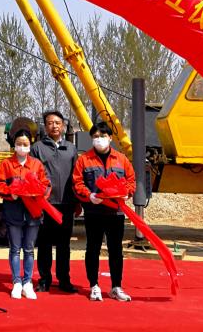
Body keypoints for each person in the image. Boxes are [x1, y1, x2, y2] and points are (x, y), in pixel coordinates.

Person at [73, 121, 136, 302]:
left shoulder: (121, 159)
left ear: (110, 138)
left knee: (116, 250)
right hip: (94, 212)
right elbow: (77, 182)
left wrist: (127, 193)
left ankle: (116, 287)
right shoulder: (84, 160)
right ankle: (94, 285)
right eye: (95, 137)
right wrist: (89, 195)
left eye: (102, 136)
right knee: (92, 249)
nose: (99, 139)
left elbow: (131, 180)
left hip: (115, 213)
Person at [0, 128, 50, 300]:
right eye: (19, 144)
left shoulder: (37, 164)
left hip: (33, 212)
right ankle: (16, 282)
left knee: (29, 249)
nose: (22, 147)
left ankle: (27, 282)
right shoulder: (6, 164)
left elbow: (46, 184)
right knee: (15, 249)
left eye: (25, 144)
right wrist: (11, 193)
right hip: (13, 211)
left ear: (30, 145)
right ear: (14, 145)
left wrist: (37, 193)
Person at [31, 110, 78, 293]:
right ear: (45, 126)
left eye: (57, 123)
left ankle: (64, 279)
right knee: (44, 243)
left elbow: (76, 176)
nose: (54, 126)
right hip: (46, 203)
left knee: (64, 244)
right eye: (50, 123)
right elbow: (33, 175)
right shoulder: (37, 148)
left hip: (66, 202)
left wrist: (77, 201)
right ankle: (44, 279)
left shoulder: (71, 149)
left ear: (63, 126)